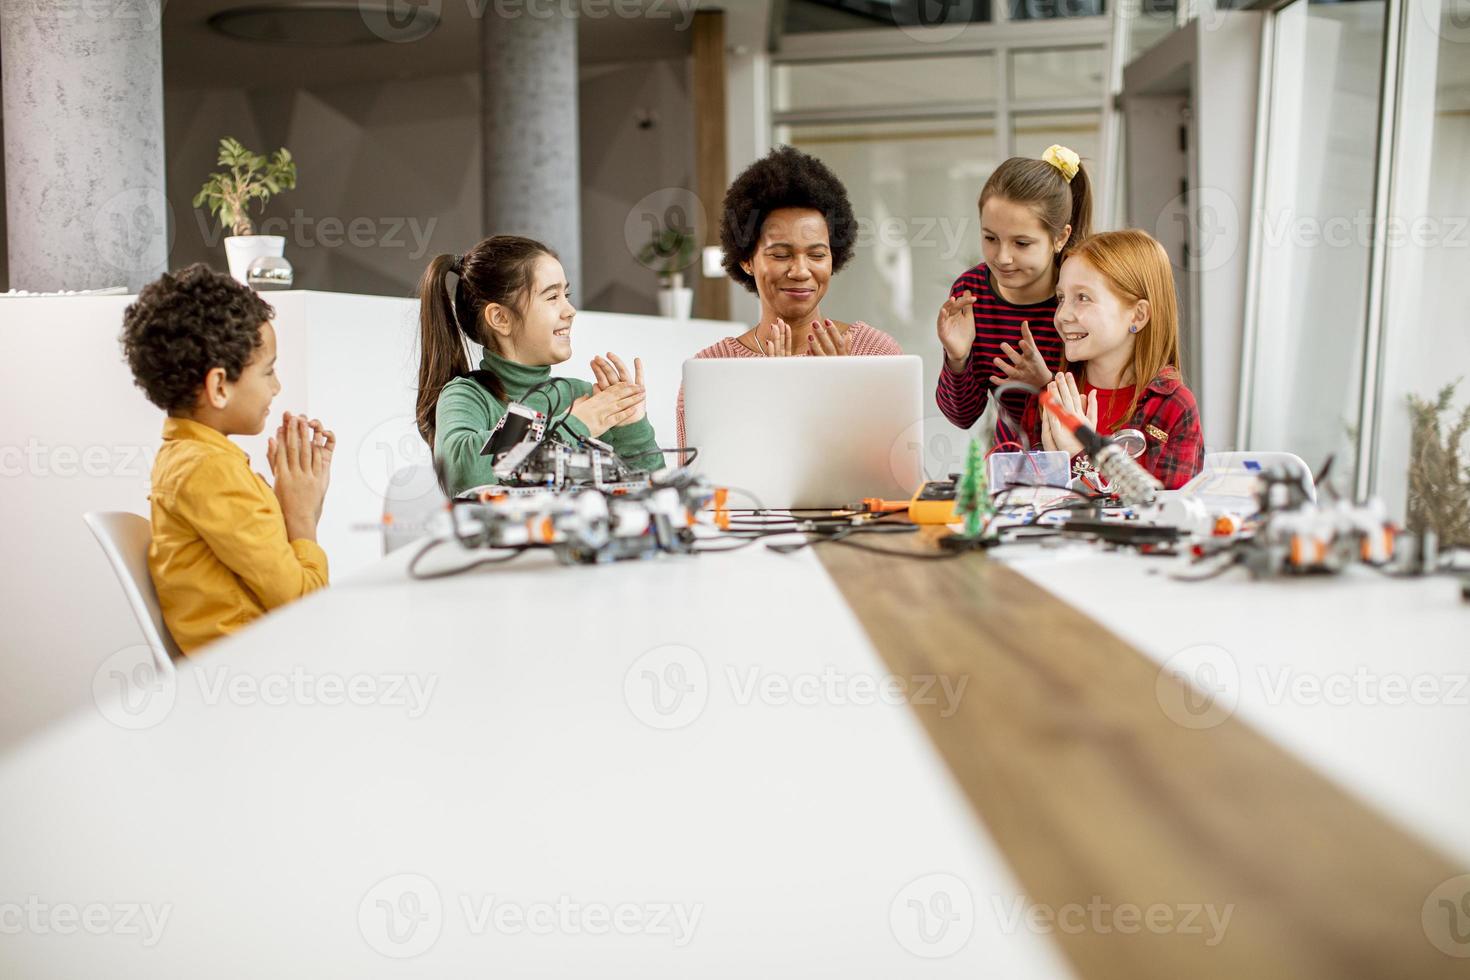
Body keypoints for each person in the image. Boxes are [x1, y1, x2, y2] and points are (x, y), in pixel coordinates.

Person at [120, 264, 333, 655]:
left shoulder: (188, 458)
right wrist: (301, 517)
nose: (277, 386)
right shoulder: (210, 470)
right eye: (268, 371)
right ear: (219, 386)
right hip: (258, 674)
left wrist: (291, 503)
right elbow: (306, 610)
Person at [675, 145, 902, 447]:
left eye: (817, 254)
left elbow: (894, 476)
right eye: (781, 254)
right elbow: (698, 486)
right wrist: (773, 397)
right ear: (746, 259)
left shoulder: (875, 353)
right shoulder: (711, 370)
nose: (800, 270)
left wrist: (845, 392)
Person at [417, 235, 662, 496]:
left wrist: (633, 429)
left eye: (566, 294)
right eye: (552, 296)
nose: (570, 310)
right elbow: (463, 473)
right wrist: (571, 427)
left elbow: (659, 494)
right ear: (500, 318)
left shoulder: (583, 398)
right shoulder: (469, 396)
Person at [1021, 229, 1204, 490]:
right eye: (1062, 298)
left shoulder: (1174, 408)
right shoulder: (1051, 397)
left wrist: (1080, 456)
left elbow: (1165, 517)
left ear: (1138, 316)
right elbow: (1019, 500)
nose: (1062, 315)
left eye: (1082, 297)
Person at [934, 145, 1093, 442]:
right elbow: (963, 417)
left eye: (1021, 243)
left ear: (1060, 237)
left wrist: (1044, 384)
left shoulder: (1086, 294)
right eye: (990, 238)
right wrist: (958, 358)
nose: (1002, 257)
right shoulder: (971, 292)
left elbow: (1107, 411)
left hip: (1080, 466)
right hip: (1013, 467)